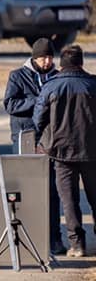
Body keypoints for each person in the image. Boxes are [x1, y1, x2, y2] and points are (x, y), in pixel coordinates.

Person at [33, 45, 96, 258]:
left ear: (61, 65)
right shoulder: (93, 84)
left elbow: (38, 118)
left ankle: (77, 245)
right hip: (92, 151)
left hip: (61, 153)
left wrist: (41, 141)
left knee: (69, 201)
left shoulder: (51, 87)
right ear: (81, 63)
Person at [4, 38, 63, 254]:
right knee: (24, 189)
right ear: (34, 57)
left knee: (52, 190)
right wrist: (39, 100)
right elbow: (10, 104)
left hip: (50, 139)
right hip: (24, 137)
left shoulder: (58, 77)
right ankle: (24, 238)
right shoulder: (18, 76)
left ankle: (54, 238)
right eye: (42, 57)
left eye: (49, 57)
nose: (46, 61)